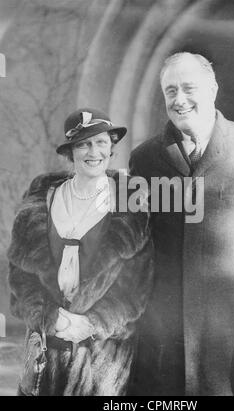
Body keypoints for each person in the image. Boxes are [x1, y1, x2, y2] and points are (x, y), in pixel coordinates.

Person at [129, 52, 234, 396]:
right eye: (170, 91)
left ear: (212, 90)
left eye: (189, 88)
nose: (180, 100)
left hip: (233, 330)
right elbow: (130, 237)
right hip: (167, 332)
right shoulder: (144, 158)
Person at [7, 108, 153, 396]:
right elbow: (20, 278)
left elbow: (136, 288)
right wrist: (48, 317)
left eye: (101, 142)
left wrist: (92, 323)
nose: (93, 151)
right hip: (44, 352)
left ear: (111, 148)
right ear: (70, 152)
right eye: (83, 143)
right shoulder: (39, 202)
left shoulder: (132, 205)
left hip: (103, 357)